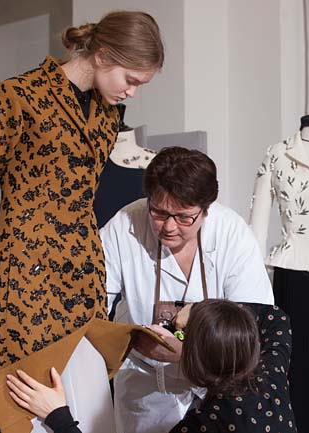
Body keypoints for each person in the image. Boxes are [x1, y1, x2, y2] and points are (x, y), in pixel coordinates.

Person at [0, 10, 164, 433]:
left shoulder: (106, 116)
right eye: (132, 79)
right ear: (103, 56)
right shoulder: (14, 97)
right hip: (15, 288)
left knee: (80, 413)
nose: (133, 93)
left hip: (80, 292)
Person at [101, 146, 275, 433]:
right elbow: (94, 303)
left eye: (184, 217)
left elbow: (253, 324)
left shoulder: (231, 232)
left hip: (216, 391)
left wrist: (189, 353)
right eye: (158, 212)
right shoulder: (124, 225)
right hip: (146, 391)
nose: (169, 226)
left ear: (206, 210)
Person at [6, 300, 297, 433]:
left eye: (181, 333)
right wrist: (197, 315)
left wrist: (57, 416)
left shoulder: (207, 423)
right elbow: (274, 316)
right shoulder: (268, 375)